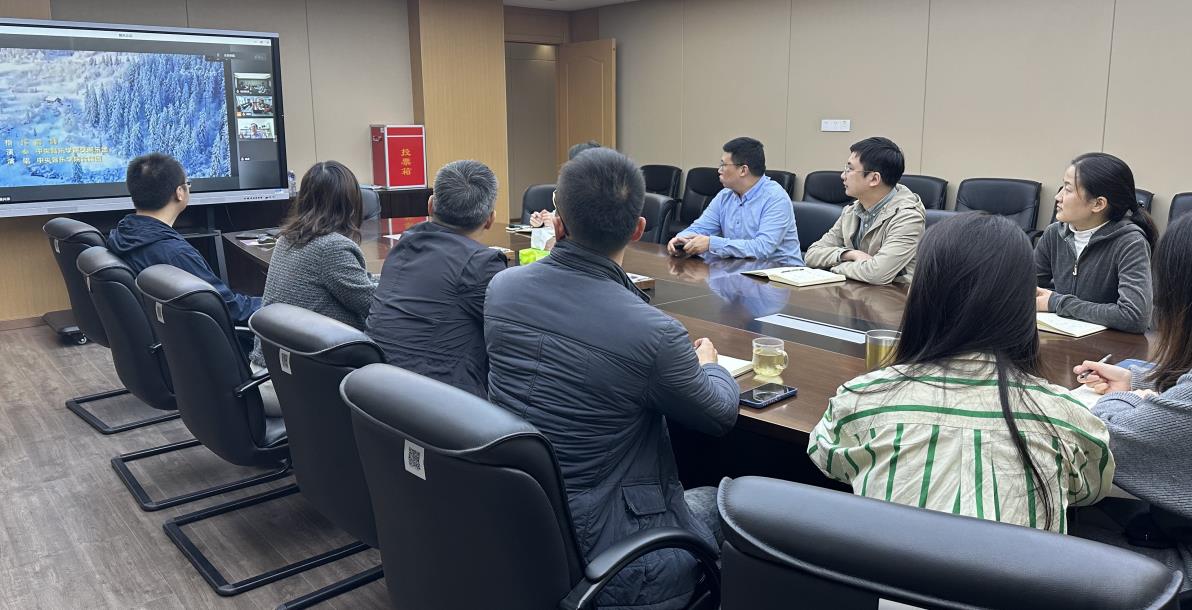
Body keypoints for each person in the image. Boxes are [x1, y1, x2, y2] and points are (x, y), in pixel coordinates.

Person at [485, 148, 738, 609]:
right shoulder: (654, 334)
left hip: (518, 528)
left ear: (557, 223)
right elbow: (719, 415)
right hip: (617, 560)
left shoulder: (503, 288)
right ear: (639, 229)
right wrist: (711, 366)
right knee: (727, 501)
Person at [808, 213, 1113, 533]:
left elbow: (829, 461)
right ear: (1024, 306)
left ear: (919, 296)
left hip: (882, 566)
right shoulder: (1067, 418)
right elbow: (1088, 490)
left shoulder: (860, 400)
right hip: (1020, 567)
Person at [1071, 213, 1192, 589]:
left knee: (1040, 536)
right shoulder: (1057, 236)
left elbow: (1104, 436)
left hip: (1179, 570)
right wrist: (1138, 381)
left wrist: (1125, 398)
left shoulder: (1127, 240)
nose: (1058, 196)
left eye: (1068, 187)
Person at [367, 160, 506, 398]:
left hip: (373, 387)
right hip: (434, 401)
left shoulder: (406, 243)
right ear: (490, 219)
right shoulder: (481, 264)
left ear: (430, 205)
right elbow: (512, 330)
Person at [108, 153, 260, 326]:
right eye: (188, 184)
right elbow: (230, 310)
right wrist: (274, 303)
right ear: (179, 192)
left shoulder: (121, 235)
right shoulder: (176, 254)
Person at [249, 161, 376, 367]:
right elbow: (372, 304)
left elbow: (356, 286)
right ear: (351, 204)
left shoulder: (286, 239)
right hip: (305, 374)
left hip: (274, 363)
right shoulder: (331, 247)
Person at [1035, 152, 1155, 333]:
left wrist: (1058, 302)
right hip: (1060, 338)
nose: (1057, 197)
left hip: (1111, 344)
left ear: (1098, 204)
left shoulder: (1130, 243)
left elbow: (1135, 316)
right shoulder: (1054, 233)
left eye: (1068, 189)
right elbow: (1025, 287)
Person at [804, 136, 925, 285]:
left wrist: (834, 267)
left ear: (874, 179)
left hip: (893, 296)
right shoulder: (852, 211)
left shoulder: (908, 218)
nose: (843, 176)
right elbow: (812, 255)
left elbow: (877, 274)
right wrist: (849, 254)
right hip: (854, 292)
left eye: (850, 169)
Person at [666, 137, 802, 262]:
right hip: (740, 270)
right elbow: (701, 228)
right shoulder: (725, 196)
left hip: (781, 274)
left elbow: (762, 248)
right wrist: (681, 240)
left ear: (743, 170)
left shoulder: (776, 198)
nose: (719, 170)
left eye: (723, 165)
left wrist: (712, 243)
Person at [528, 139, 602, 228]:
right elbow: (561, 215)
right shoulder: (570, 189)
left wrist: (559, 224)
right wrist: (542, 221)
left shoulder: (604, 193)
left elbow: (592, 226)